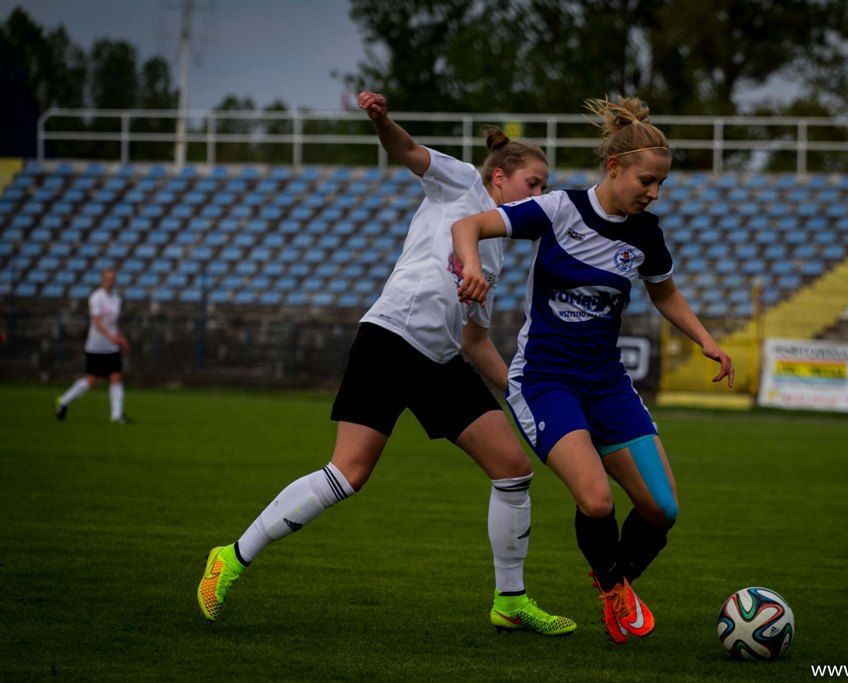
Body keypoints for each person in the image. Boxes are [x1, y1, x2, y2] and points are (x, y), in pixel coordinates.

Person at [197, 90, 576, 636]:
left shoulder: (495, 247)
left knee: (513, 469)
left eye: (544, 187)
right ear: (500, 177)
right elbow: (407, 151)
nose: (540, 194)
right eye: (533, 184)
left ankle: (510, 601)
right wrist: (382, 119)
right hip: (391, 339)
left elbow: (474, 340)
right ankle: (230, 557)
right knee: (348, 474)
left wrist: (521, 389)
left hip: (440, 361)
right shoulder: (462, 183)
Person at [451, 96, 735, 644]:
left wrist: (706, 340)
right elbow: (469, 224)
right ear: (614, 167)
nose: (654, 193)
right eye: (647, 181)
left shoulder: (646, 234)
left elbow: (665, 293)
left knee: (662, 510)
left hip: (607, 384)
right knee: (598, 500)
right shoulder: (559, 209)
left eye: (661, 184)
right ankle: (613, 591)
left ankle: (614, 575)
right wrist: (471, 265)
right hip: (545, 381)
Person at [55, 267, 132, 424]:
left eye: (113, 279)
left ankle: (116, 416)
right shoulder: (96, 297)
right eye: (108, 279)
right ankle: (63, 401)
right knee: (92, 380)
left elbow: (112, 324)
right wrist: (111, 337)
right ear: (102, 280)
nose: (110, 282)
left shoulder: (116, 298)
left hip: (111, 347)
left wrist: (122, 339)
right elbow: (97, 323)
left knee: (116, 377)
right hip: (96, 346)